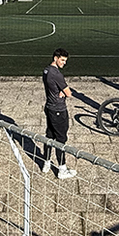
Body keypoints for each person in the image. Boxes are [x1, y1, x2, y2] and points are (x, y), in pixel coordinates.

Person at [42, 48, 77, 179]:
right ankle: (62, 169)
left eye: (65, 60)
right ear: (55, 58)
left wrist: (60, 91)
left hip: (49, 107)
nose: (64, 63)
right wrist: (64, 92)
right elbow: (69, 93)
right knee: (61, 138)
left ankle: (46, 163)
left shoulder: (46, 70)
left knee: (49, 135)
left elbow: (53, 88)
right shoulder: (56, 74)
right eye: (62, 60)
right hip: (58, 110)